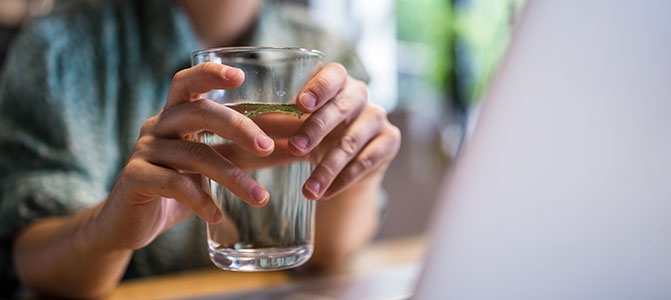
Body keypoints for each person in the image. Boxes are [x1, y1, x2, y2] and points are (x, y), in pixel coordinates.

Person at [0, 0, 401, 298]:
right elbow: (31, 257)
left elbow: (327, 251)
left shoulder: (325, 51)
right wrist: (106, 230)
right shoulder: (61, 49)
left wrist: (357, 161)